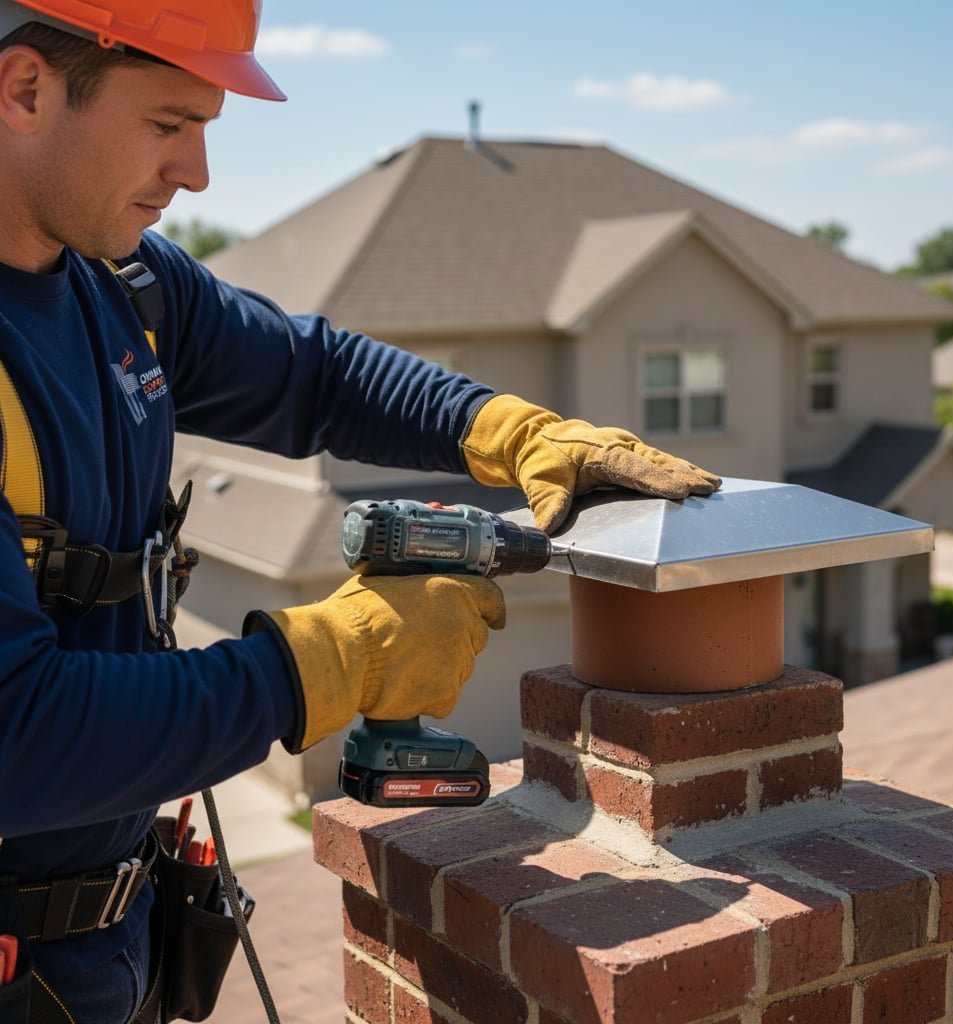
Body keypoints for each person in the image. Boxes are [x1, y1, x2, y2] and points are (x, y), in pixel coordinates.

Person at [0, 2, 722, 1021]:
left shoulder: (121, 286)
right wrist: (328, 659)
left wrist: (512, 433)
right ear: (25, 89)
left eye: (205, 126)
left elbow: (316, 374)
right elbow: (17, 736)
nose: (197, 171)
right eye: (167, 125)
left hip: (103, 947)